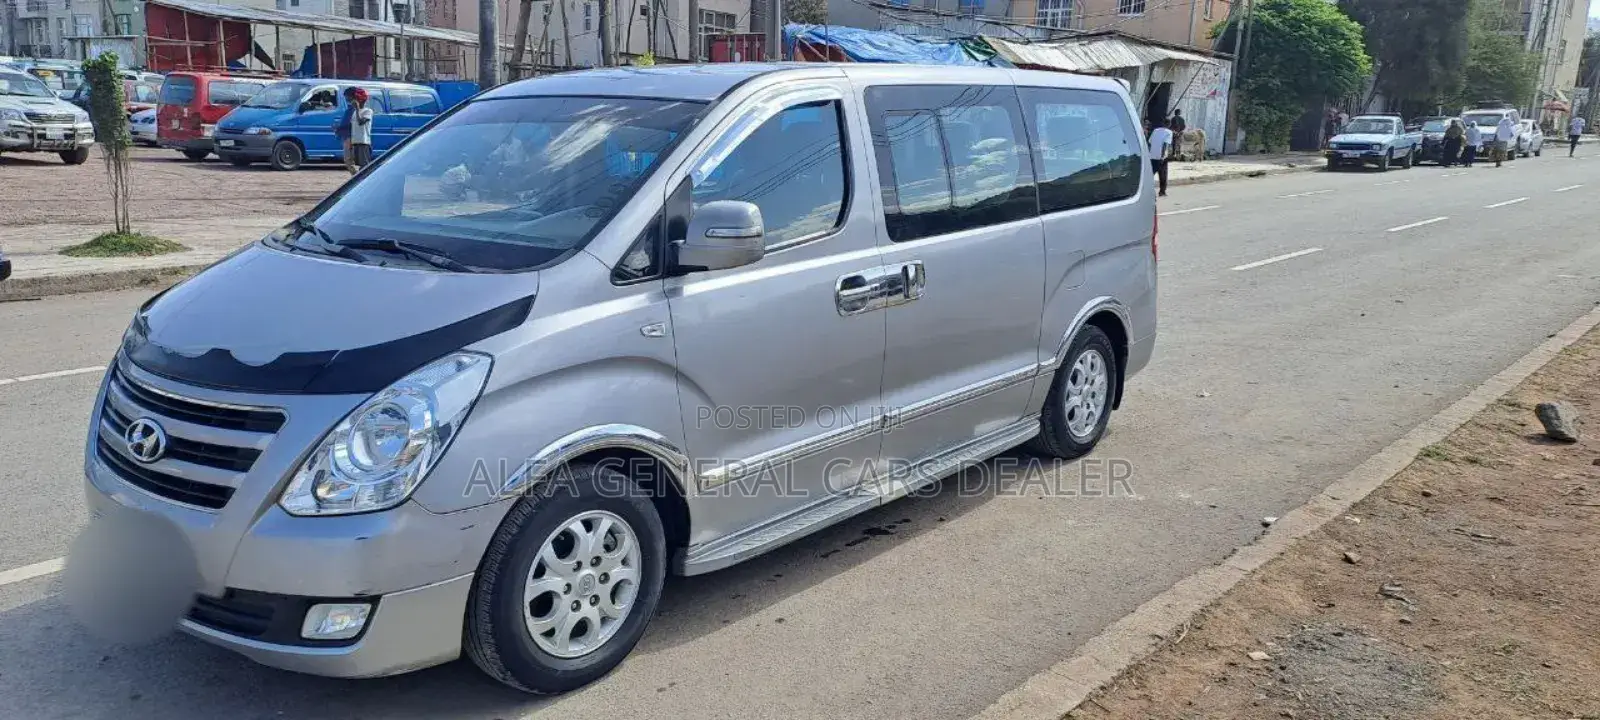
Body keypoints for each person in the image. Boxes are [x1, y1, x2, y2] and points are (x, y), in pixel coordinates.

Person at [348, 87, 375, 174]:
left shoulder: (368, 111)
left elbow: (360, 122)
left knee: (364, 165)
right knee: (359, 165)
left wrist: (356, 109)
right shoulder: (355, 112)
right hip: (356, 141)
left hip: (363, 142)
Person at [1148, 117, 1173, 197]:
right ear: (1169, 124)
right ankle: (1162, 192)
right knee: (1163, 175)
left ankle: (1146, 190)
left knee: (1150, 174)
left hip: (1152, 156)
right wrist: (1162, 156)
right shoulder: (1169, 132)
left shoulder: (1155, 130)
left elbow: (1150, 142)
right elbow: (1165, 145)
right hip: (1161, 157)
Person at [335, 88, 357, 173]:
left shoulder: (353, 108)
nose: (346, 98)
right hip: (348, 135)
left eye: (347, 96)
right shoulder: (351, 108)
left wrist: (338, 127)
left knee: (348, 160)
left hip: (349, 136)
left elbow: (347, 122)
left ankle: (357, 177)